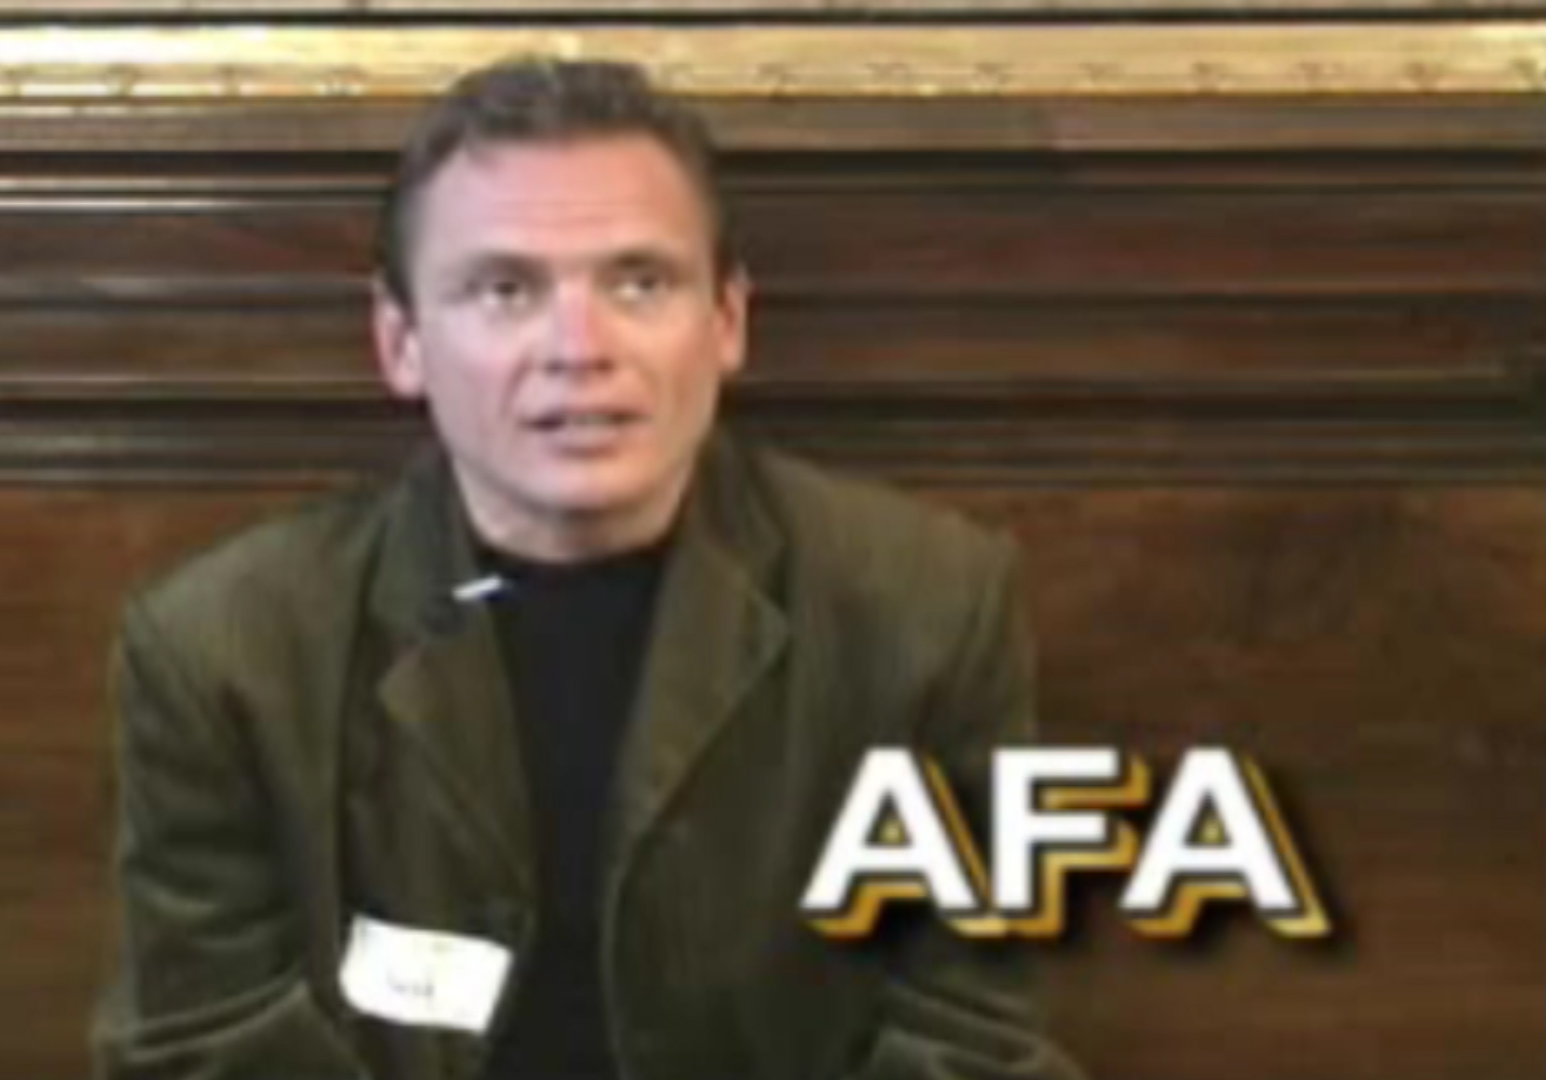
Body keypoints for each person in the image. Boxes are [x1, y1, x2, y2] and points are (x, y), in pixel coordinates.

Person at [93, 57, 1086, 1080]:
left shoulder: (929, 608)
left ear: (727, 321)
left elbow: (967, 1042)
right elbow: (202, 1049)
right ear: (402, 342)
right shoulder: (223, 651)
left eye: (639, 283)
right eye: (505, 290)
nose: (580, 347)